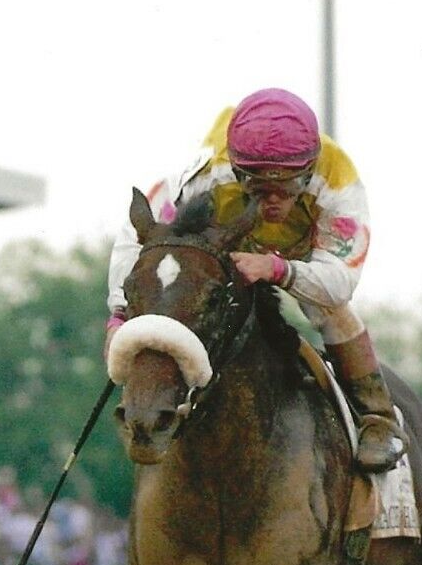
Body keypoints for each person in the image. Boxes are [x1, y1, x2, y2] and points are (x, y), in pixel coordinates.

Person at [106, 88, 405, 471]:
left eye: (287, 189)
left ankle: (378, 417)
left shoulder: (338, 184)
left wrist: (278, 269)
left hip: (306, 252)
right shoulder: (205, 173)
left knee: (330, 310)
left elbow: (340, 282)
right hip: (226, 244)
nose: (271, 203)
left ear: (309, 172)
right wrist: (119, 316)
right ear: (237, 170)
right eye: (258, 188)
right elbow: (139, 238)